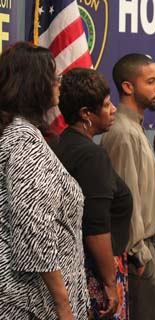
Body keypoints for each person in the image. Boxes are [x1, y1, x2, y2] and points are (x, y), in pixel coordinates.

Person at [0, 42, 88, 318]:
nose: (59, 83)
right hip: (31, 301)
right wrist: (63, 304)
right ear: (34, 84)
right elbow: (34, 228)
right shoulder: (23, 139)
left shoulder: (19, 132)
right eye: (55, 77)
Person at [50, 68, 133, 319]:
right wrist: (110, 282)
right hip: (95, 272)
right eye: (107, 105)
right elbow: (95, 225)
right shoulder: (91, 156)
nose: (114, 110)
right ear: (86, 114)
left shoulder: (61, 143)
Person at [100, 53, 155, 319]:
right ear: (128, 87)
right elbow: (126, 200)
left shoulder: (135, 128)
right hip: (138, 254)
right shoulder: (123, 133)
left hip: (149, 249)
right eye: (150, 81)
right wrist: (139, 254)